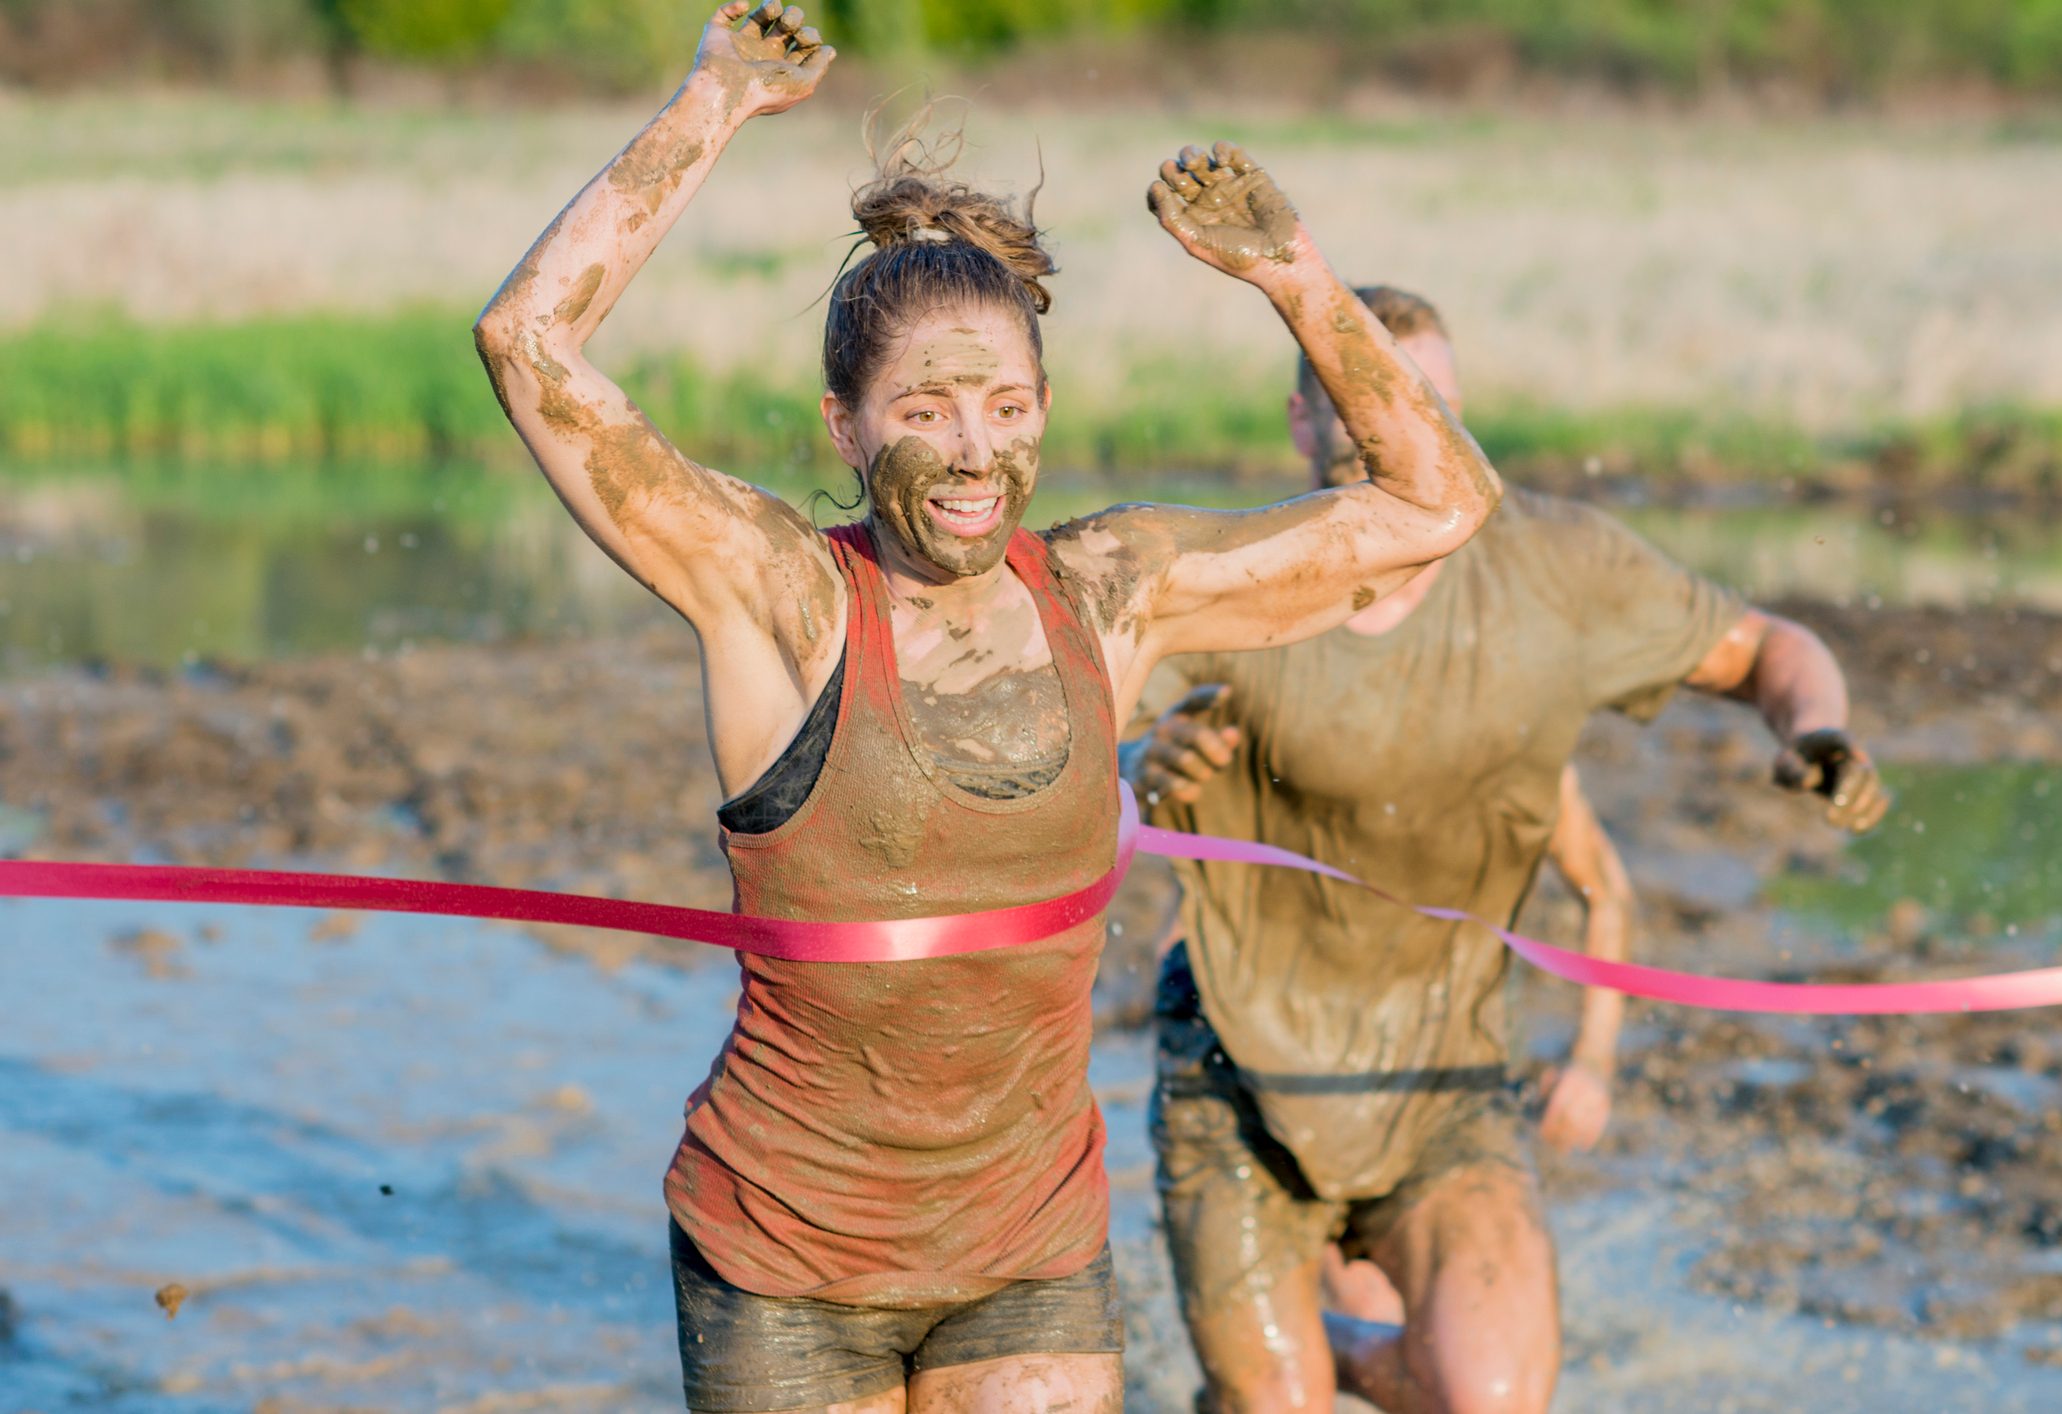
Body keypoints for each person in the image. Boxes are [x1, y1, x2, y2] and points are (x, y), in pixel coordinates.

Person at [471, 6, 1505, 1409]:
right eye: (928, 408)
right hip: (785, 1249)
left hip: (1027, 1247)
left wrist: (1294, 277)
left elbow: (1442, 503)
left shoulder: (1113, 591)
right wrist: (710, 106)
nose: (975, 451)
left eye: (1008, 409)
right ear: (843, 423)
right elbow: (526, 339)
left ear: (1045, 403)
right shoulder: (776, 591)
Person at [1126, 285, 1889, 1414]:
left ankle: (1306, 1346)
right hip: (1241, 1068)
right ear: (1300, 420)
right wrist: (1144, 760)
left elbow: (1766, 646)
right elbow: (1072, 722)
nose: (1387, 417)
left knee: (1484, 1396)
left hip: (1447, 1074)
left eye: (1417, 394)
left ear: (1458, 417)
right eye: (1352, 393)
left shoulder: (1557, 569)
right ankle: (1269, 1364)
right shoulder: (1233, 567)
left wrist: (1814, 728)